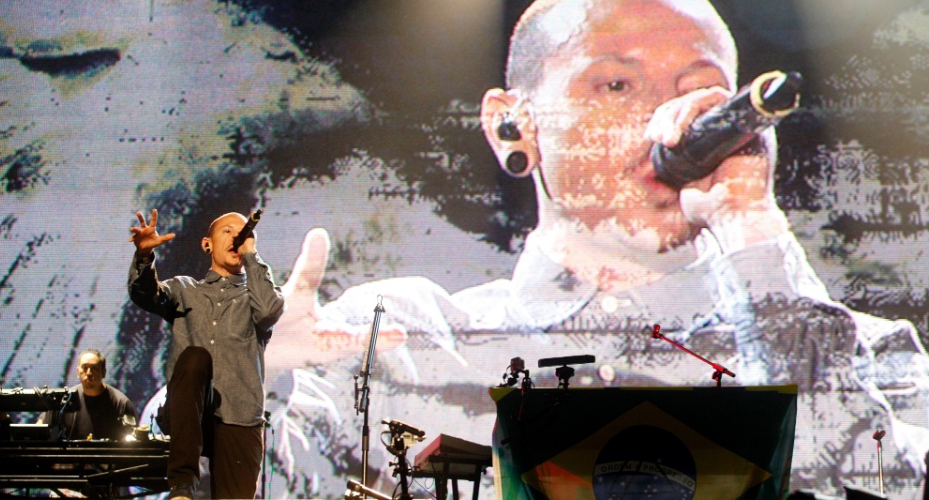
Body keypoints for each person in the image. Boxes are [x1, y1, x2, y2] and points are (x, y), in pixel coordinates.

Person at [268, 0, 929, 496]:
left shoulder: (865, 357)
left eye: (696, 91)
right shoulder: (400, 345)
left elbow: (883, 485)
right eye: (617, 85)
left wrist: (753, 233)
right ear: (511, 123)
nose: (667, 122)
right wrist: (241, 386)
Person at [127, 209, 285, 500]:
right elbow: (145, 295)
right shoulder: (184, 289)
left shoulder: (258, 295)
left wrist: (251, 255)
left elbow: (267, 311)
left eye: (243, 233)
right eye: (227, 231)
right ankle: (182, 486)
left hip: (239, 415)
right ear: (207, 244)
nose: (237, 237)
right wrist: (144, 257)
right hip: (188, 413)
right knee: (195, 357)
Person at [43, 349, 137, 441]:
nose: (89, 373)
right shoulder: (63, 400)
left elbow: (133, 441)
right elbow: (44, 432)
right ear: (77, 372)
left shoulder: (121, 403)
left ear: (103, 372)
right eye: (84, 367)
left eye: (94, 368)